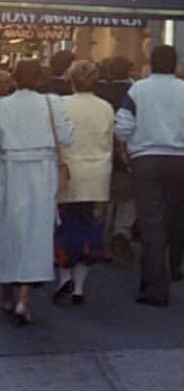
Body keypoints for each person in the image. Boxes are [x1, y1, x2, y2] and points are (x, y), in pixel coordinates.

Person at [114, 44, 184, 307]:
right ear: (175, 64)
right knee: (169, 219)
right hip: (177, 160)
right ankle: (163, 274)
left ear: (151, 62)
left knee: (150, 223)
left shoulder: (138, 89)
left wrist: (123, 149)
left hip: (144, 159)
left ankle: (154, 286)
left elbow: (123, 125)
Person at [0, 59, 73, 324]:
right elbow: (66, 137)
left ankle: (6, 293)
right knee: (36, 233)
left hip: (9, 170)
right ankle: (24, 299)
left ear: (14, 79)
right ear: (40, 79)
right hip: (42, 171)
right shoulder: (52, 103)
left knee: (8, 229)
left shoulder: (3, 106)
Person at [53, 61, 114, 305]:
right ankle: (79, 287)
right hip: (98, 175)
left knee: (65, 228)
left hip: (69, 174)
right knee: (92, 231)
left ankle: (64, 277)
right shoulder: (106, 107)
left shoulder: (61, 105)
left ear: (71, 80)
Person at [97, 56, 136, 262]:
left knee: (107, 199)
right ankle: (122, 232)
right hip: (127, 153)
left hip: (103, 152)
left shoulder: (100, 92)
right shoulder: (134, 92)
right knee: (128, 198)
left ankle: (104, 241)